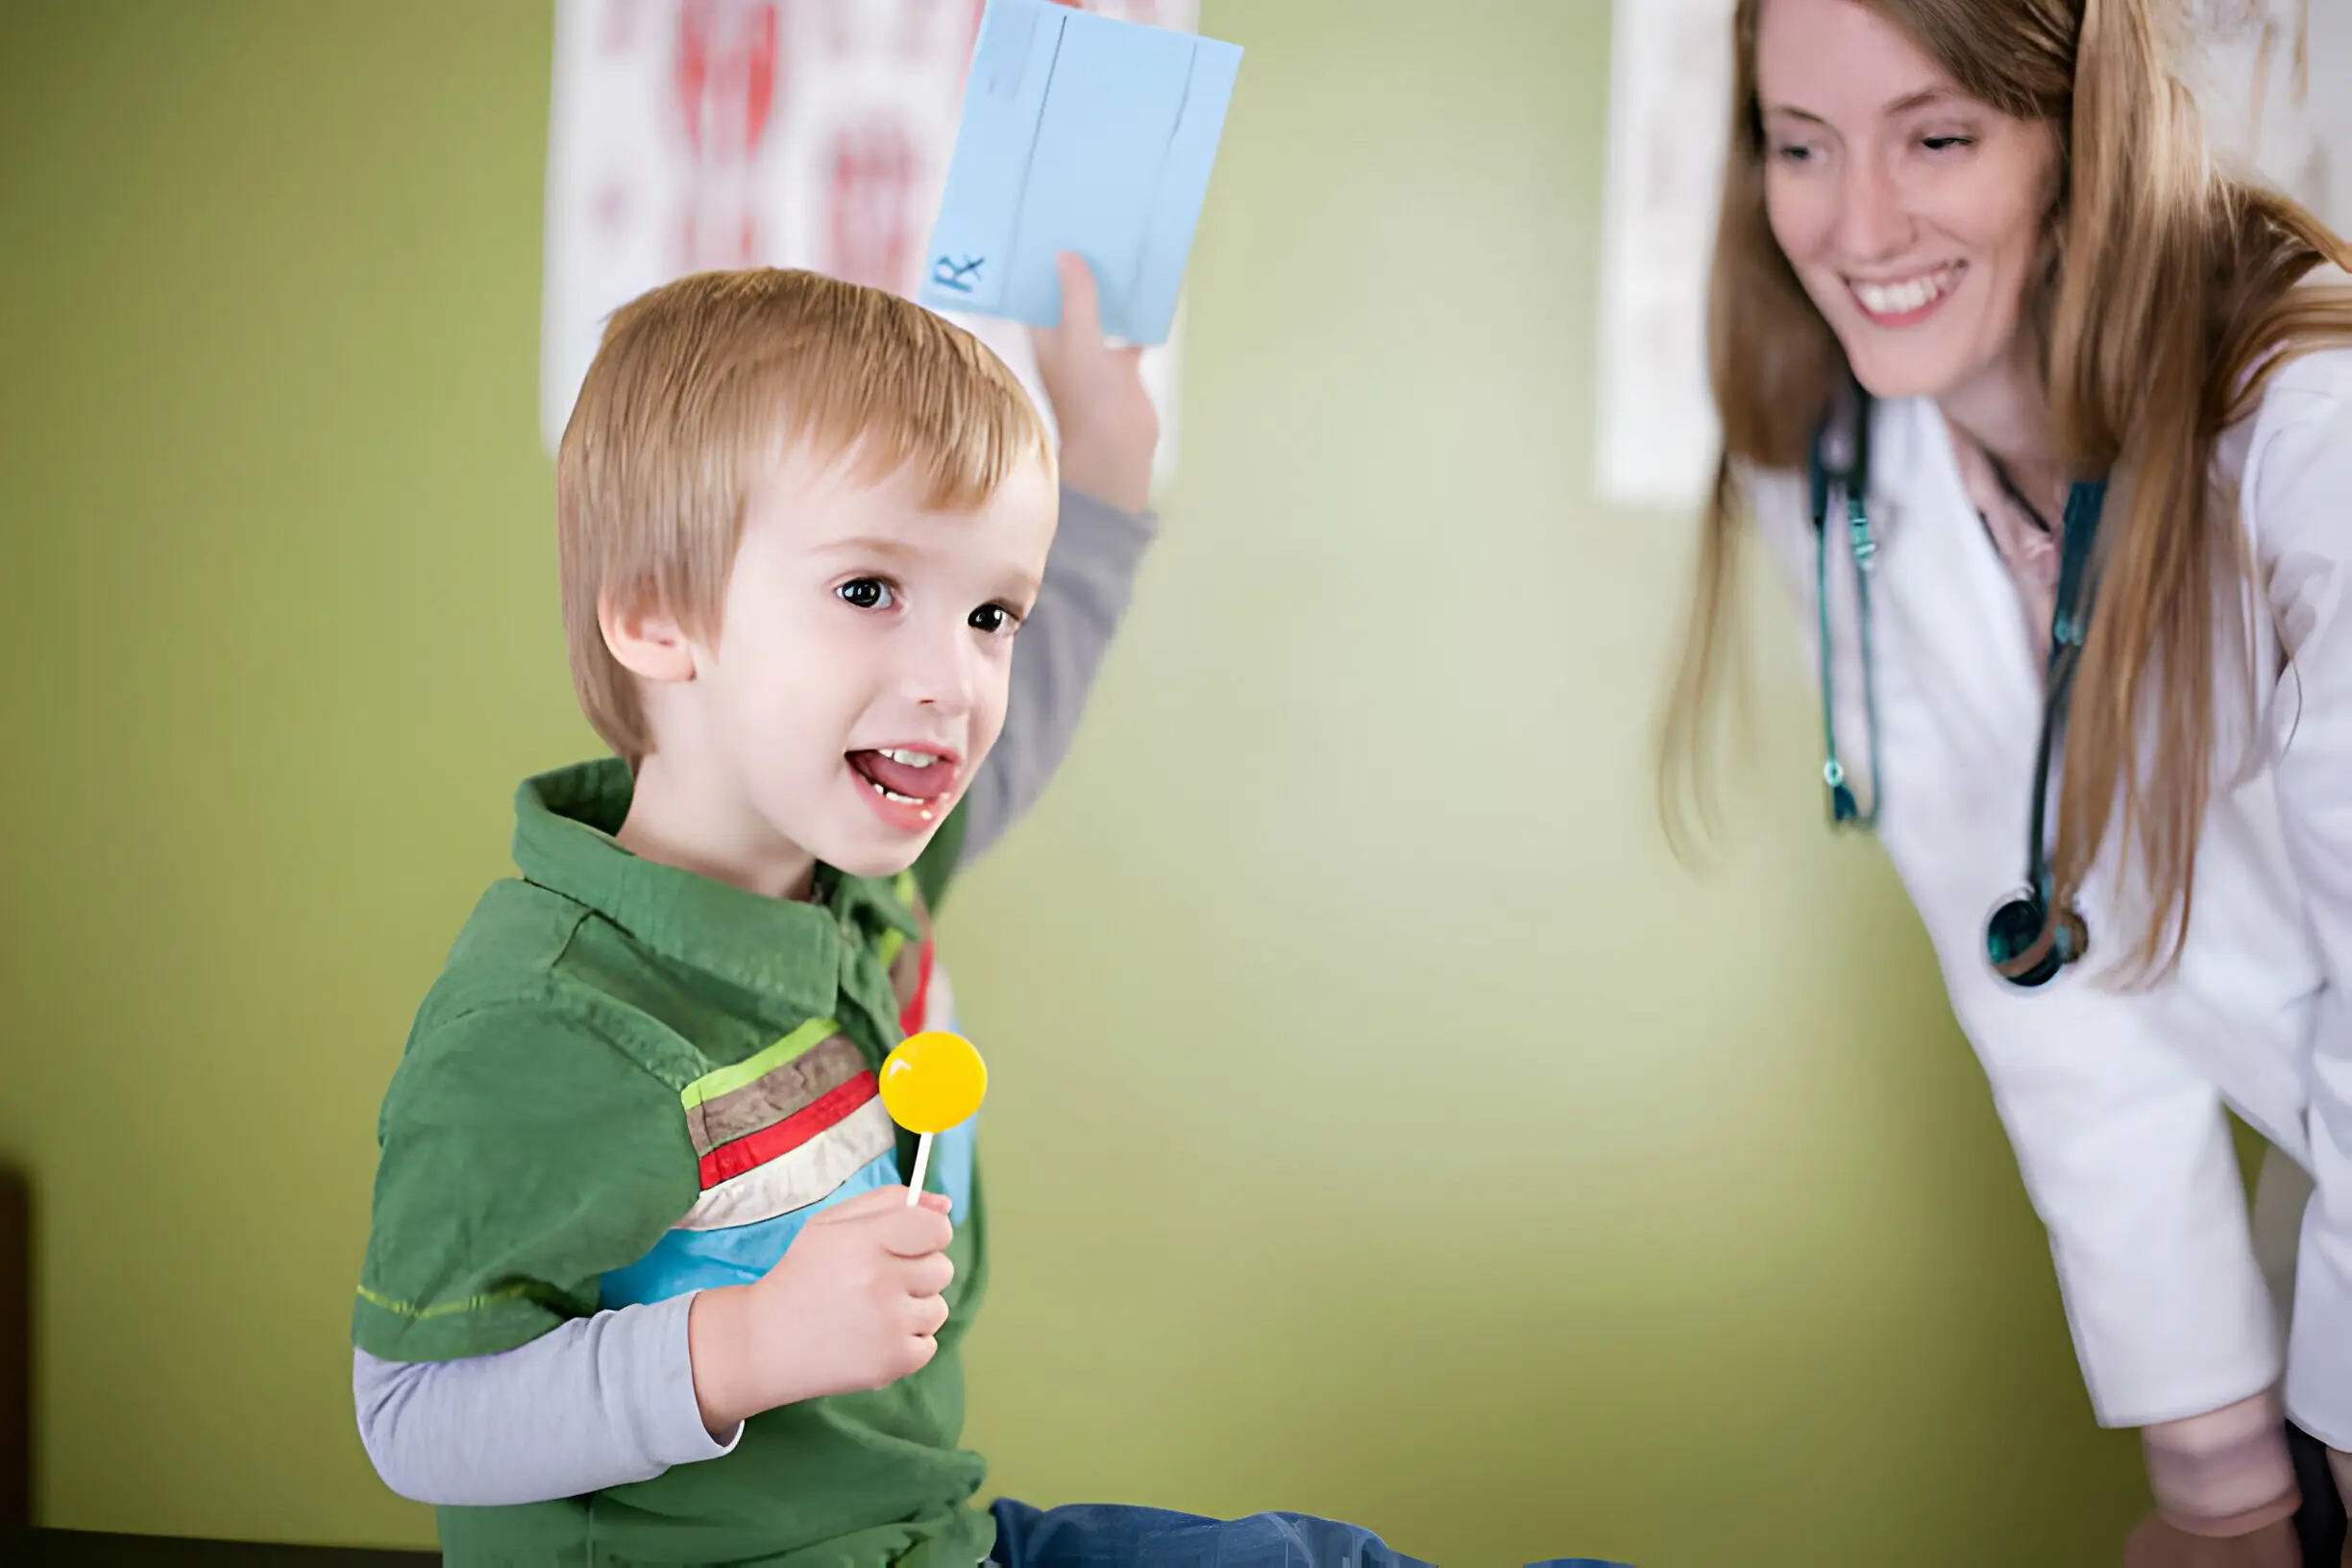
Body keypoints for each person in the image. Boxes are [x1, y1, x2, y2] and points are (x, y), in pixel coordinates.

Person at [346, 261, 1433, 1567]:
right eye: (869, 592)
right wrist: (745, 1346)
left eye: (989, 614)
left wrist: (1106, 452)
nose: (953, 683)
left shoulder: (859, 874)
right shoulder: (549, 1023)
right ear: (652, 614)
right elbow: (412, 1416)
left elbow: (1035, 703)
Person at [1659, 0, 2352, 1562]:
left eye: (1940, 137)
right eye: (1800, 146)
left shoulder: (2315, 439)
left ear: (2079, 140)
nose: (1857, 226)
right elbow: (2043, 960)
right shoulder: (1848, 469)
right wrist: (2223, 1486)